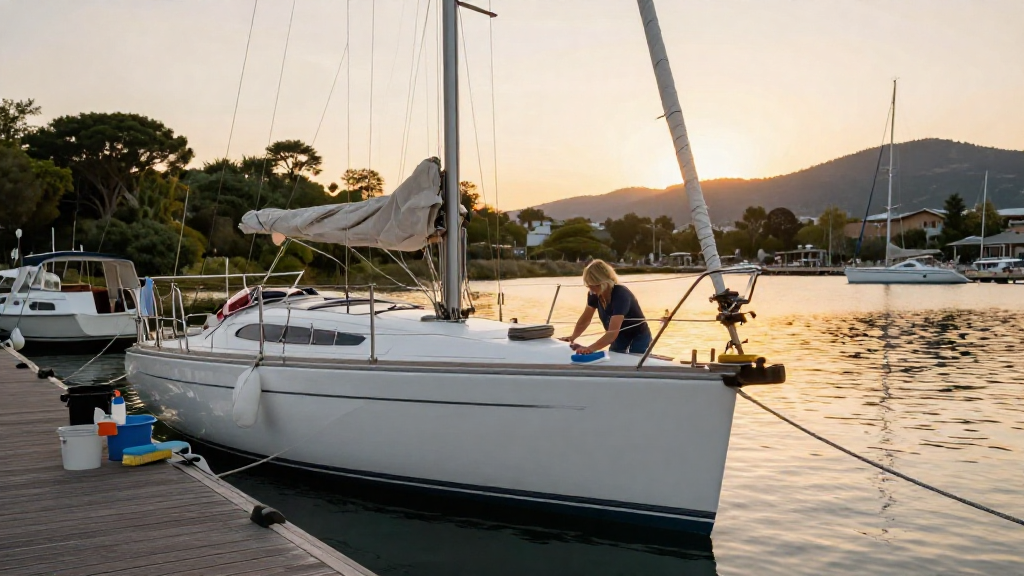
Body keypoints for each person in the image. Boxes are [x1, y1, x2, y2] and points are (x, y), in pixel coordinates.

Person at [559, 259, 652, 355]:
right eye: (588, 285)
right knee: (615, 358)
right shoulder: (594, 293)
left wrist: (590, 348)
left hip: (638, 335)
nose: (591, 289)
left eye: (594, 285)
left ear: (604, 282)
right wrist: (572, 337)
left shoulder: (620, 294)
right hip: (618, 337)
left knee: (635, 360)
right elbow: (585, 320)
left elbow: (612, 333)